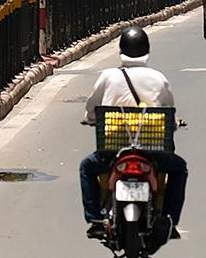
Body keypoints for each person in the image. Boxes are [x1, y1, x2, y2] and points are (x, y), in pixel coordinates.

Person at [80, 26, 187, 241]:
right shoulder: (158, 78)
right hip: (153, 150)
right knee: (178, 169)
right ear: (147, 50)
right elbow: (169, 110)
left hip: (112, 150)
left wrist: (91, 119)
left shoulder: (108, 76)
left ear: (120, 50)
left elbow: (91, 110)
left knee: (87, 167)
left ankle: (95, 220)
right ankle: (169, 220)